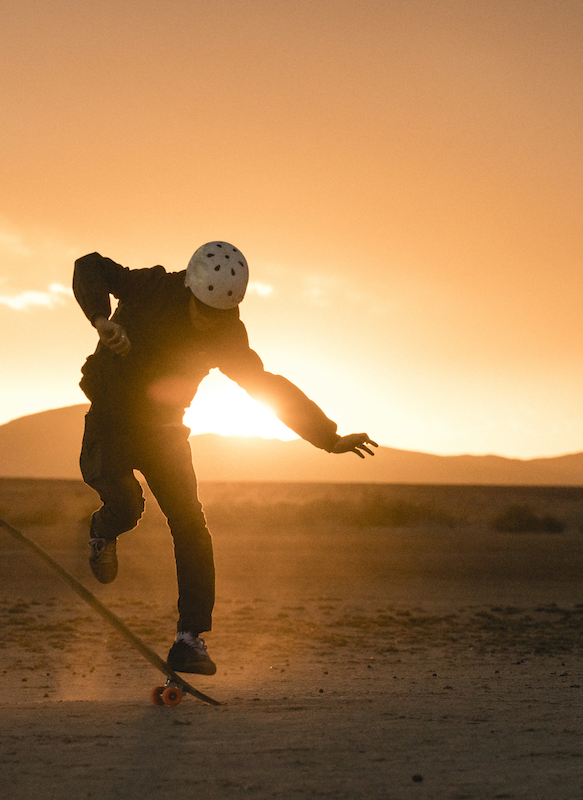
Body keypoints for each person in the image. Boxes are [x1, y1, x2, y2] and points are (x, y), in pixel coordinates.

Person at [72, 242, 376, 675]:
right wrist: (102, 320)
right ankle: (103, 529)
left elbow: (265, 385)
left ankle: (190, 639)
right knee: (126, 504)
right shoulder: (153, 286)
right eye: (201, 309)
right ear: (190, 288)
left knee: (191, 524)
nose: (207, 322)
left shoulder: (226, 333)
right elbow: (89, 266)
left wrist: (328, 437)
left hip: (164, 428)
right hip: (110, 416)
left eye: (218, 315)